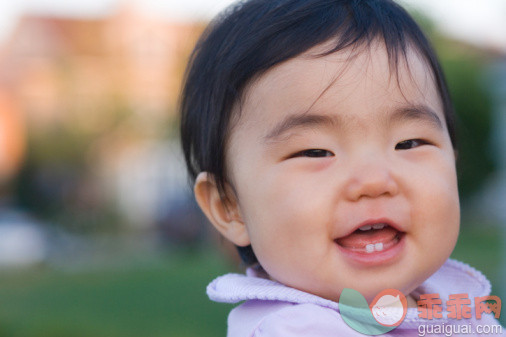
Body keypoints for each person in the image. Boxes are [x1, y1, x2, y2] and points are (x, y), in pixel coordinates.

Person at [179, 0, 505, 335]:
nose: (375, 180)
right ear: (229, 207)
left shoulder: (457, 310)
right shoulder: (296, 329)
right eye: (316, 151)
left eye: (408, 143)